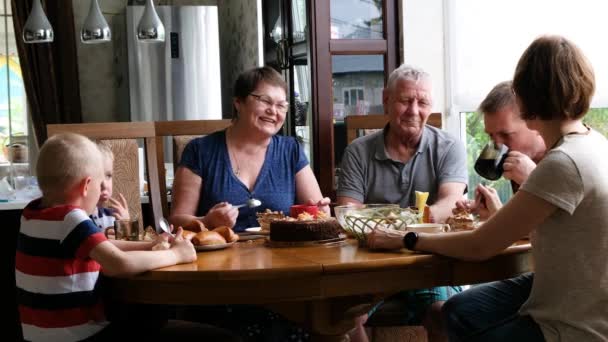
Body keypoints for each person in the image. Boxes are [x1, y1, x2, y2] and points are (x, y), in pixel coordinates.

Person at [369, 35, 608, 341]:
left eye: (505, 134)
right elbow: (559, 232)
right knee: (458, 310)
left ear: (522, 100)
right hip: (570, 289)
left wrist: (408, 238)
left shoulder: (562, 163)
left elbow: (479, 246)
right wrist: (499, 213)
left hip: (577, 322)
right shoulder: (594, 142)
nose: (497, 145)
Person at [15, 133, 238, 342]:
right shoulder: (71, 218)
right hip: (82, 337)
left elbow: (104, 245)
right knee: (152, 314)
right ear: (86, 186)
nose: (104, 188)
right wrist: (176, 254)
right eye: (101, 182)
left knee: (147, 316)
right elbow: (117, 264)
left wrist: (151, 244)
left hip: (42, 336)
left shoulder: (34, 214)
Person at [337, 64, 468, 342]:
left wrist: (398, 230)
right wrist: (414, 222)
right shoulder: (358, 152)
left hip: (427, 262)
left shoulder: (449, 146)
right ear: (386, 100)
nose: (414, 110)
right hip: (370, 264)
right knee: (343, 316)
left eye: (423, 102)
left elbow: (451, 201)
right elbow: (349, 212)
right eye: (405, 100)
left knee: (444, 313)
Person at [170, 66, 329, 232]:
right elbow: (176, 222)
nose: (273, 111)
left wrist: (320, 212)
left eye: (281, 105)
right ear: (238, 102)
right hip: (219, 255)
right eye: (265, 101)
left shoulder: (291, 151)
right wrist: (207, 222)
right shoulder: (200, 151)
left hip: (280, 253)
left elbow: (315, 213)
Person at [459, 80, 547, 219]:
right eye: (491, 136)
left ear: (535, 122)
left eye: (505, 134)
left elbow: (567, 230)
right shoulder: (520, 161)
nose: (497, 146)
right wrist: (494, 214)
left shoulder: (564, 160)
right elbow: (529, 226)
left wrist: (532, 180)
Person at [90, 142, 130, 231]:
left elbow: (127, 241)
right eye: (97, 176)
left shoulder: (113, 216)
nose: (104, 185)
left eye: (108, 176)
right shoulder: (79, 218)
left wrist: (126, 225)